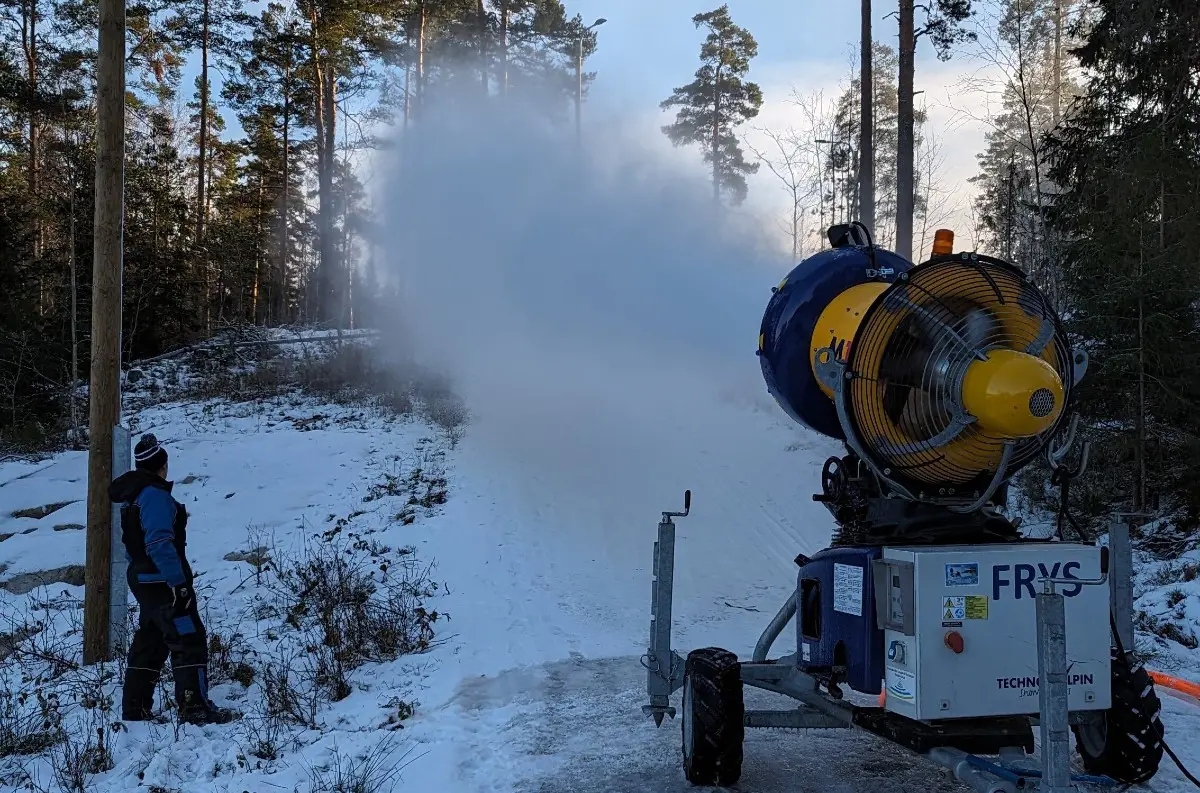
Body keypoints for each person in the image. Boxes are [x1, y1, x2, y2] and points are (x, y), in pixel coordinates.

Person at [109, 433, 236, 725]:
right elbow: (159, 543)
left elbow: (133, 544)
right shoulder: (154, 496)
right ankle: (195, 709)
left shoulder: (133, 498)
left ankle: (135, 711)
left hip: (142, 578)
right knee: (188, 638)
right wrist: (177, 583)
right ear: (162, 465)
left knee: (151, 642)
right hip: (162, 581)